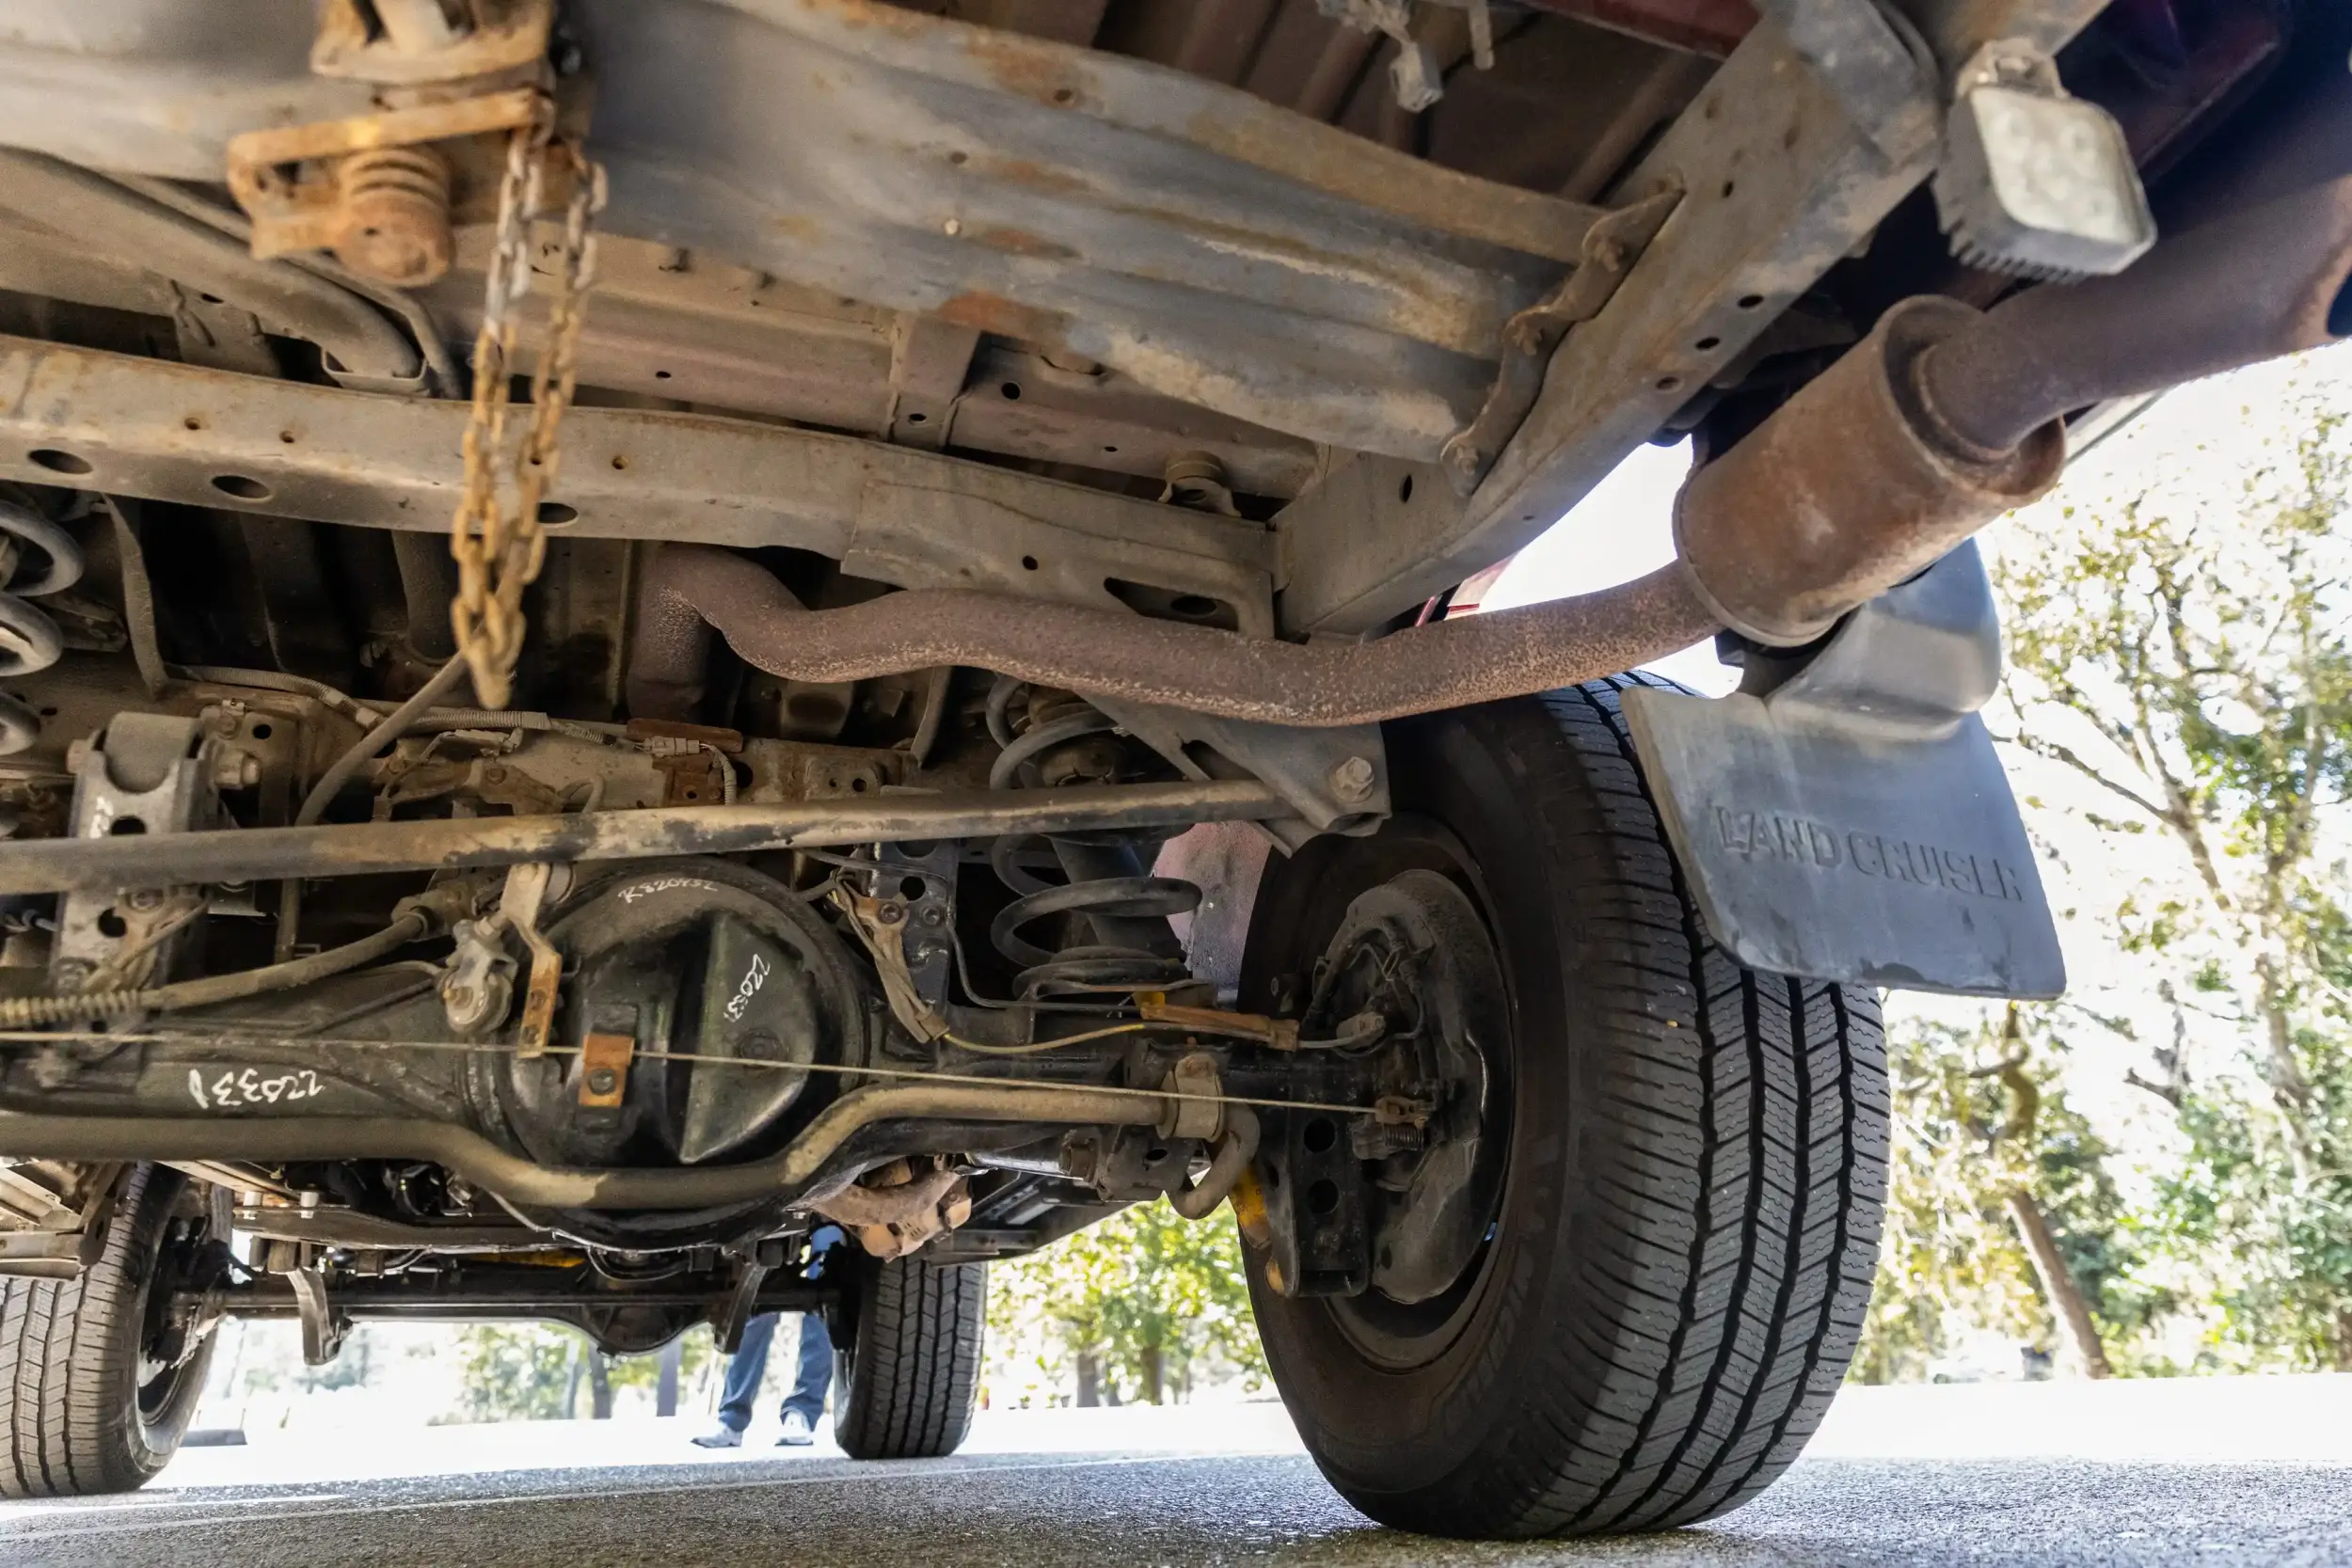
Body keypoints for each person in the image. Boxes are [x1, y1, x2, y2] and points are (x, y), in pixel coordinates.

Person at [692, 1227, 841, 1449]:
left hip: (827, 1211)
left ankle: (801, 1413)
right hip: (775, 1214)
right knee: (754, 1306)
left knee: (825, 1308)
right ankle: (731, 1420)